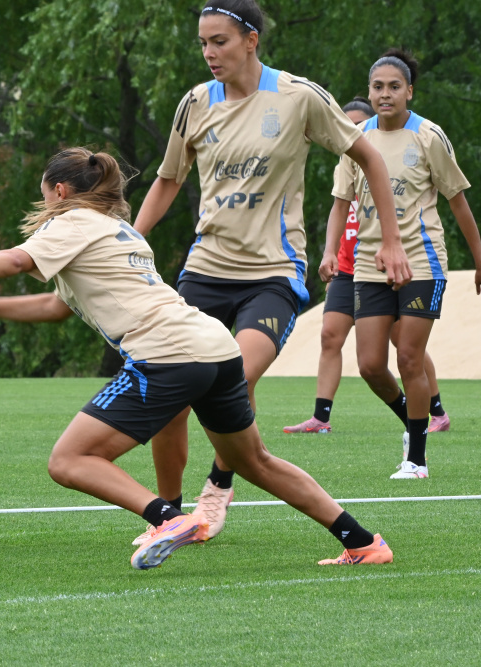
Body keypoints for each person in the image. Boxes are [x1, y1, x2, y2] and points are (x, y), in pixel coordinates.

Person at [0, 147, 393, 569]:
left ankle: (167, 518)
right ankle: (363, 541)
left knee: (69, 460)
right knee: (255, 462)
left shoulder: (69, 223)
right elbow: (54, 307)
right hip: (216, 349)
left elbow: (14, 260)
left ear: (60, 191)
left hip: (168, 357)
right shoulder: (118, 231)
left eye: (45, 193)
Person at [129, 0, 411, 542]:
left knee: (229, 373)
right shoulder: (194, 103)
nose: (210, 53)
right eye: (203, 44)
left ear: (251, 40)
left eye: (221, 42)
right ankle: (170, 515)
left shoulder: (298, 97)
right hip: (203, 272)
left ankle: (219, 483)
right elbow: (167, 179)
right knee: (171, 393)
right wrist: (133, 243)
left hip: (272, 275)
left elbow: (369, 157)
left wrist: (391, 241)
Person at [323, 48, 481, 479]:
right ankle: (412, 424)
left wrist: (480, 259)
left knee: (409, 357)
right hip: (370, 266)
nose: (385, 94)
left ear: (409, 91)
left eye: (395, 86)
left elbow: (458, 202)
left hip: (422, 263)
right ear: (370, 93)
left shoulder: (429, 136)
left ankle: (417, 458)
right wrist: (327, 253)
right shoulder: (355, 141)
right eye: (378, 87)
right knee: (371, 366)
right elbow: (340, 203)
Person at [284, 97, 449, 434]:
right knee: (331, 336)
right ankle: (322, 417)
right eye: (344, 125)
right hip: (351, 270)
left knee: (404, 346)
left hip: (392, 264)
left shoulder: (387, 160)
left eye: (357, 125)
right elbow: (338, 209)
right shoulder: (347, 167)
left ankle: (435, 411)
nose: (350, 132)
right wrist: (329, 253)